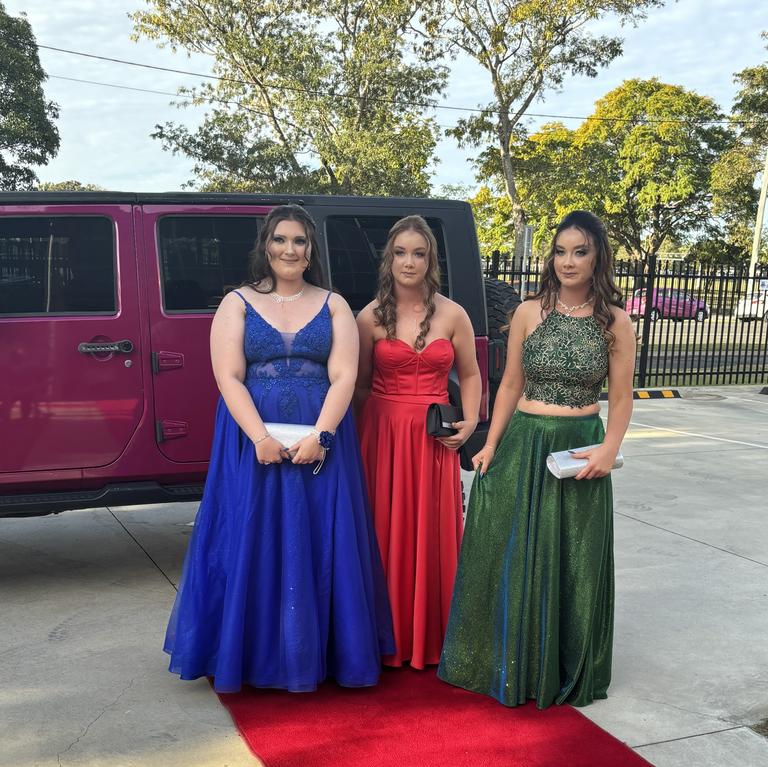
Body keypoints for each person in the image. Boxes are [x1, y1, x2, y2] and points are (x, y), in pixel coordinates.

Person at [165, 206, 393, 692]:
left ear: (311, 252)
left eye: (300, 242)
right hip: (251, 441)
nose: (290, 250)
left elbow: (345, 376)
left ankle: (320, 654)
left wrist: (323, 436)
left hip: (323, 439)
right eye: (281, 240)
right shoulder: (237, 303)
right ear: (265, 246)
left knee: (321, 540)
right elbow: (228, 376)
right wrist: (260, 439)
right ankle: (253, 655)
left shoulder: (334, 305)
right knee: (254, 536)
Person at [438, 210, 635, 708]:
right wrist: (490, 442)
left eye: (580, 251)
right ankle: (509, 658)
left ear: (598, 258)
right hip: (525, 441)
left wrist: (609, 450)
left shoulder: (615, 320)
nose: (568, 262)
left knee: (573, 557)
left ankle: (562, 662)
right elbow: (509, 384)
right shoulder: (527, 312)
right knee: (511, 547)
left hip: (579, 445)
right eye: (561, 251)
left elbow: (622, 396)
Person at [355, 215, 481, 669]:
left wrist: (469, 423)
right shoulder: (368, 316)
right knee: (384, 531)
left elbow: (469, 373)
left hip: (435, 438)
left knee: (434, 531)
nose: (409, 262)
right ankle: (385, 635)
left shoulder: (453, 313)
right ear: (388, 258)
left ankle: (432, 634)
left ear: (431, 261)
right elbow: (360, 385)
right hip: (384, 435)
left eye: (419, 253)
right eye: (401, 252)